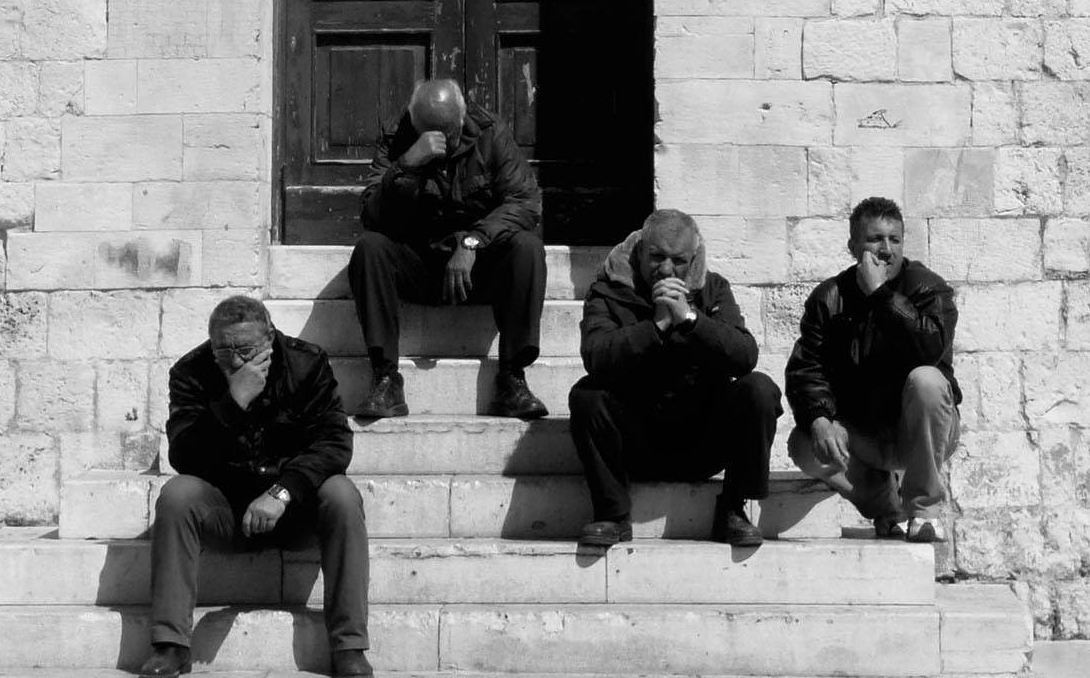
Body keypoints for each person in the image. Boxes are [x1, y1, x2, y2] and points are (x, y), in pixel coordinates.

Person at [138, 295, 371, 678]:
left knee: (343, 496)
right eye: (223, 350)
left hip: (294, 509)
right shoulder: (191, 372)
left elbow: (334, 444)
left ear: (269, 339)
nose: (235, 360)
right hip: (228, 511)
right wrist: (232, 401)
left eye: (245, 349)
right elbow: (184, 455)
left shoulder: (307, 363)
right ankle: (170, 644)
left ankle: (349, 644)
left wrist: (282, 492)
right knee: (177, 496)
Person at [568, 208, 782, 551]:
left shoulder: (713, 289)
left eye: (678, 261)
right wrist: (655, 328)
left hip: (700, 441)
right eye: (656, 257)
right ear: (640, 250)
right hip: (637, 442)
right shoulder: (608, 290)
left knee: (759, 389)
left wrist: (690, 320)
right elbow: (596, 355)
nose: (666, 270)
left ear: (693, 257)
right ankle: (612, 514)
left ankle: (734, 507)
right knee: (586, 395)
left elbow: (745, 355)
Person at [347, 76, 548, 420]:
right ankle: (385, 379)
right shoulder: (397, 138)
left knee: (527, 249)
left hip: (476, 265)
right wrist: (407, 164)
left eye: (449, 133)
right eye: (430, 133)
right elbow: (372, 215)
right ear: (413, 122)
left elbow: (526, 202)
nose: (443, 143)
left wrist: (472, 242)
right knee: (370, 248)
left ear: (462, 117)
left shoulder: (490, 133)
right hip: (420, 262)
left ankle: (512, 378)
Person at [785, 195, 962, 543]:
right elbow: (806, 368)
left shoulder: (927, 288)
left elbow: (930, 348)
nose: (886, 250)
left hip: (923, 429)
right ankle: (888, 509)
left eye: (894, 239)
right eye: (874, 239)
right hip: (865, 433)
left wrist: (881, 295)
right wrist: (820, 418)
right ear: (853, 246)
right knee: (804, 444)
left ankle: (923, 512)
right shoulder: (829, 298)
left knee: (926, 380)